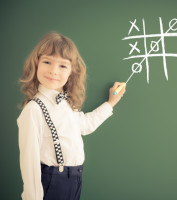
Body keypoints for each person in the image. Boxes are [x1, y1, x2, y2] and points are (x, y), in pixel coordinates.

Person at [17, 31, 126, 200]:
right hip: (52, 182)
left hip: (74, 179)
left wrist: (110, 103)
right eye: (47, 62)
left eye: (62, 66)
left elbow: (85, 125)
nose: (53, 71)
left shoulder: (67, 104)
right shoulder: (34, 110)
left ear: (71, 73)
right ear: (36, 64)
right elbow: (29, 163)